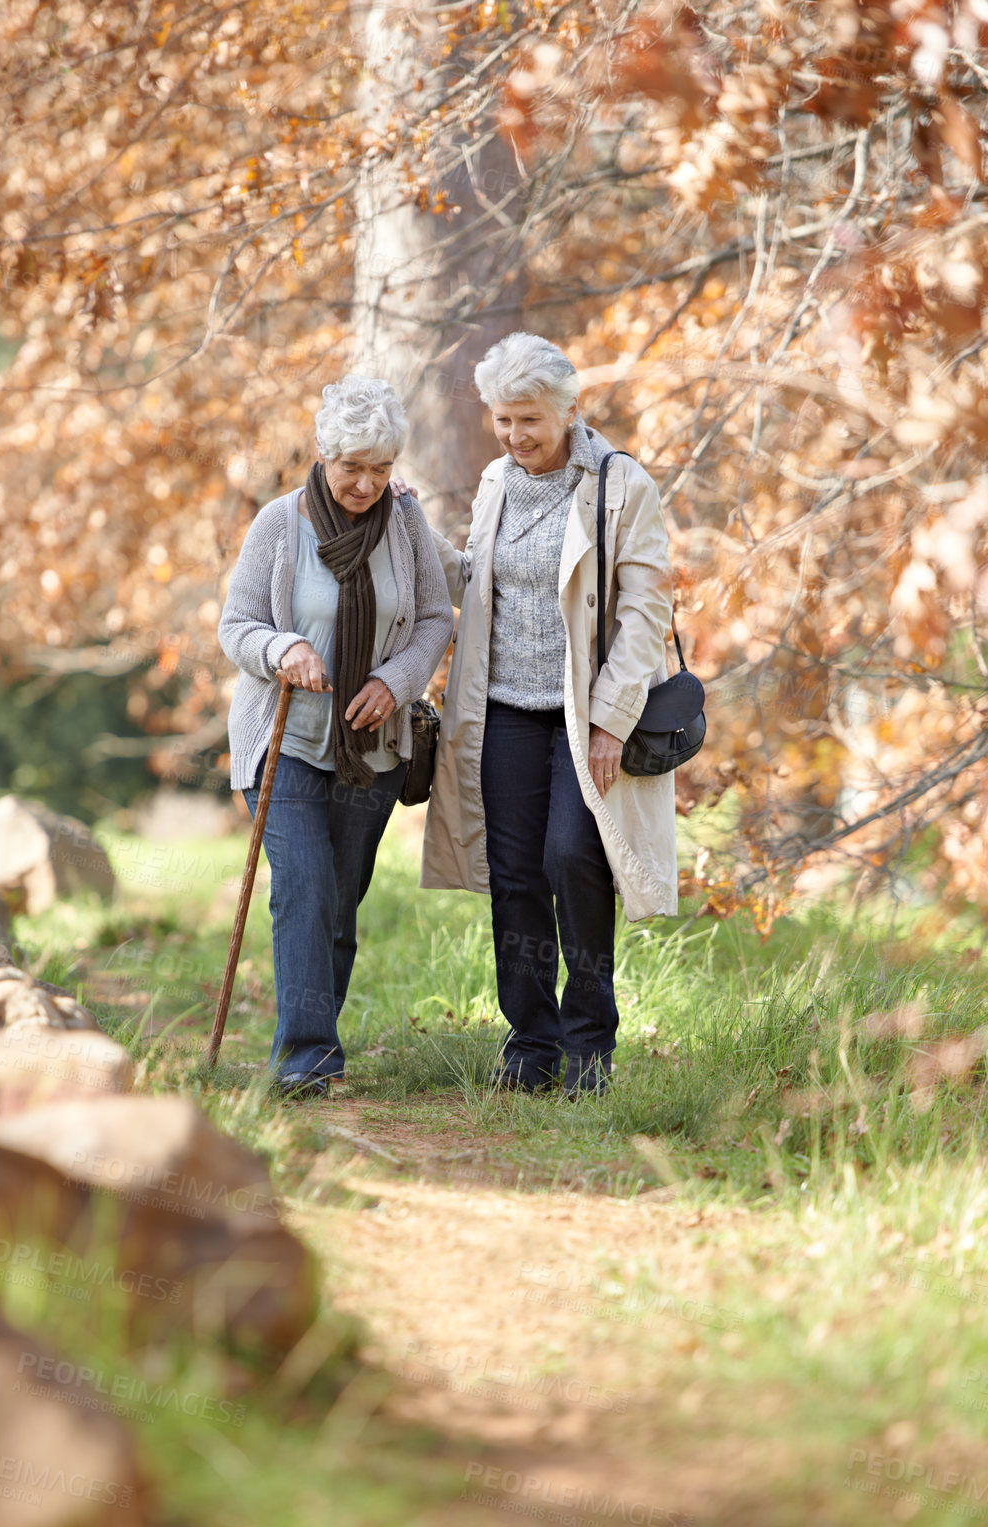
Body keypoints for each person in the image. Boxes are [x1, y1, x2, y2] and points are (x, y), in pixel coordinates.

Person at [417, 331, 678, 1096]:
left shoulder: (618, 484)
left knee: (572, 858)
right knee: (516, 876)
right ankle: (530, 1046)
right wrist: (416, 533)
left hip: (581, 714)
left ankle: (590, 1044)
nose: (513, 435)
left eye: (528, 418)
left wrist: (610, 718)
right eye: (502, 418)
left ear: (568, 409)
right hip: (502, 710)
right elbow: (481, 578)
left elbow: (644, 607)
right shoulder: (497, 480)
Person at [218, 375, 453, 1097]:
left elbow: (436, 616)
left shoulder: (406, 523)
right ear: (322, 455)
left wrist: (399, 680)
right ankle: (306, 1058)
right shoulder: (278, 525)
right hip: (285, 742)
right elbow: (237, 626)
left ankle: (313, 1042)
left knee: (340, 903)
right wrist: (281, 648)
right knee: (307, 889)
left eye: (380, 469)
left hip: (371, 750)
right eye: (352, 466)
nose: (365, 483)